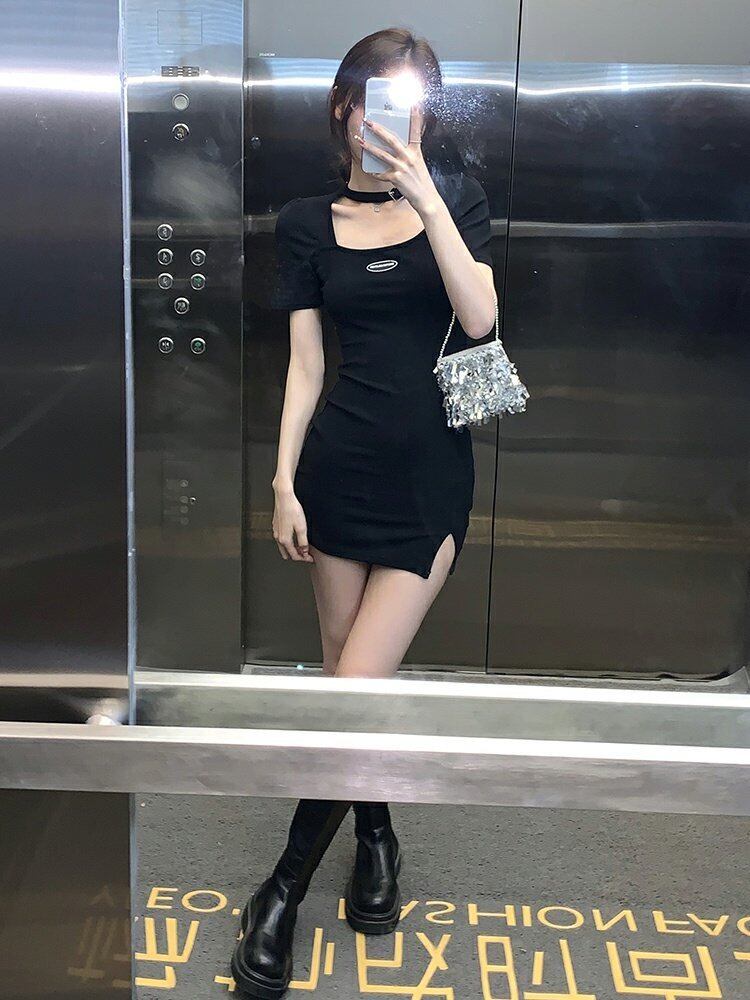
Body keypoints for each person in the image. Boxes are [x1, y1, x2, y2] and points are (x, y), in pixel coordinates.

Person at [231, 26, 496, 998]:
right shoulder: (305, 221)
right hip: (337, 472)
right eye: (378, 97)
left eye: (412, 100)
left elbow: (481, 320)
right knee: (351, 683)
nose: (392, 117)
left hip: (430, 481)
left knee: (349, 692)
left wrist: (425, 195)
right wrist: (282, 482)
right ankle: (375, 832)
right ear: (344, 107)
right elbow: (306, 366)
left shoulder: (457, 199)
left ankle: (281, 891)